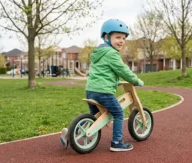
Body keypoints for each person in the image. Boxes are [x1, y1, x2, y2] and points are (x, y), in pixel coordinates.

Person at [60, 19, 144, 152]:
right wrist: (136, 80)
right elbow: (123, 70)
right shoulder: (112, 54)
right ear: (106, 37)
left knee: (96, 119)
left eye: (123, 38)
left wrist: (115, 81)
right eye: (117, 37)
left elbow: (103, 73)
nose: (121, 41)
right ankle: (116, 142)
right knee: (118, 113)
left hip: (90, 91)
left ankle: (71, 134)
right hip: (103, 92)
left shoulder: (98, 53)